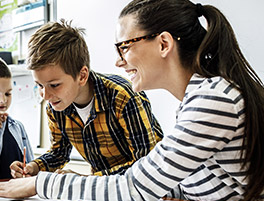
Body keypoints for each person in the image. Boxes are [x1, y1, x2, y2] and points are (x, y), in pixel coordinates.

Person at [0, 0, 264, 201]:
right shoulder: (199, 98)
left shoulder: (213, 99)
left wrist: (40, 183)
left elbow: (136, 186)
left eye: (125, 47)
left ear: (164, 43)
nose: (119, 61)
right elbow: (184, 185)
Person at [10, 19, 163, 178]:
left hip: (153, 189)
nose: (45, 96)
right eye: (39, 86)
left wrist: (86, 180)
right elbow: (59, 153)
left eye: (54, 85)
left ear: (82, 76)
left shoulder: (122, 96)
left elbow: (146, 163)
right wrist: (33, 167)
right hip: (103, 191)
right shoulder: (56, 105)